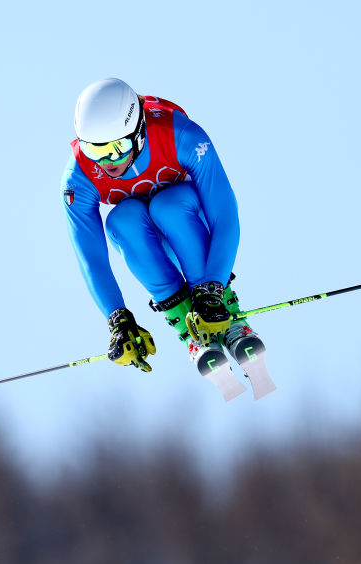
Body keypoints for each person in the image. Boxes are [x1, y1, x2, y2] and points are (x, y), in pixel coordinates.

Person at [60, 77, 265, 385]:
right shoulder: (78, 179)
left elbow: (225, 217)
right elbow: (91, 258)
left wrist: (214, 287)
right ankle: (189, 328)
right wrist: (117, 318)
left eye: (117, 149)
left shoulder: (180, 136)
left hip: (193, 224)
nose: (107, 163)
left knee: (169, 204)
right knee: (121, 219)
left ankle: (228, 319)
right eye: (94, 150)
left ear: (138, 133)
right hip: (148, 239)